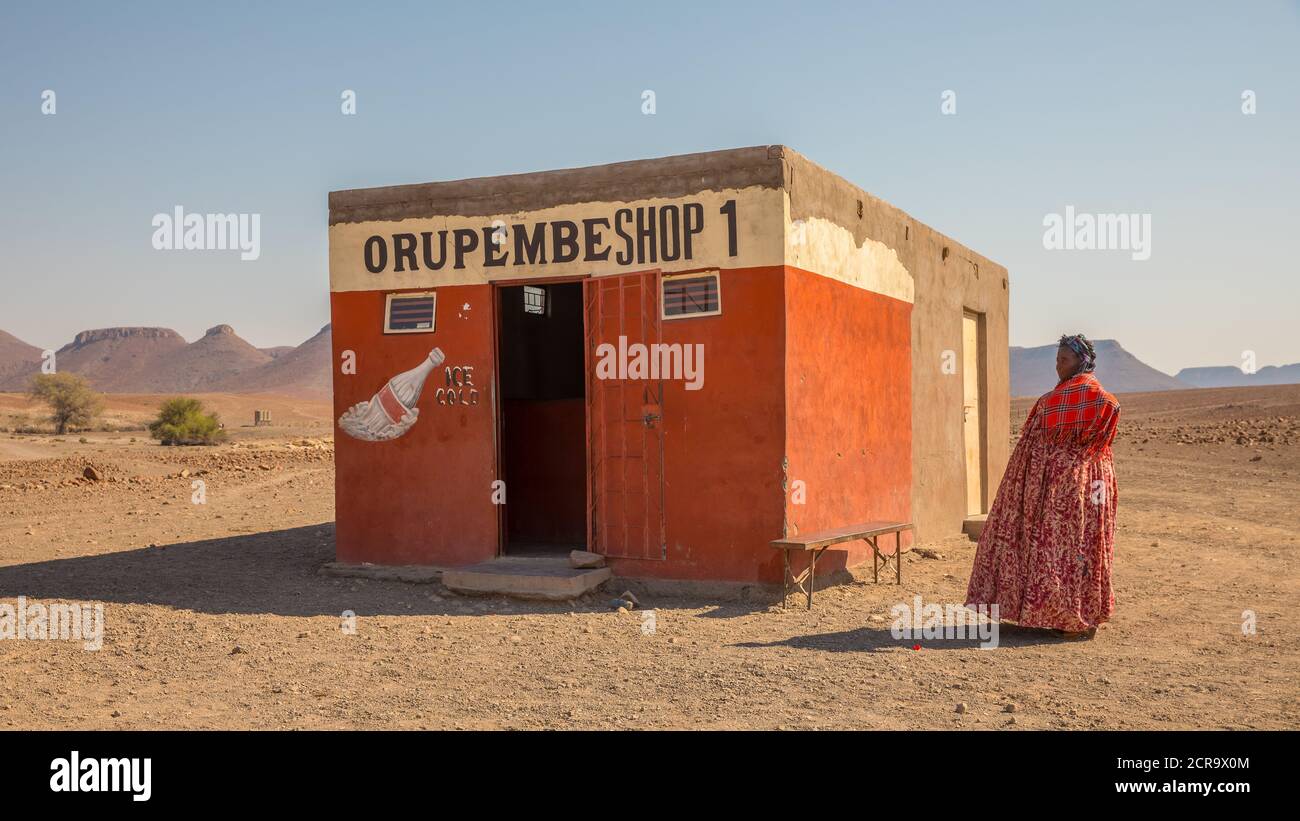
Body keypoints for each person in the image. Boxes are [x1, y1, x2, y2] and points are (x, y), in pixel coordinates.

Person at [965, 334, 1121, 640]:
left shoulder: (1051, 403)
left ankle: (1051, 614)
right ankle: (1078, 617)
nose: (1058, 366)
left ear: (1080, 362)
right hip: (1092, 488)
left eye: (1064, 360)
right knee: (1080, 549)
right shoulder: (1105, 403)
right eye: (1057, 360)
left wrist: (1022, 492)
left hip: (1052, 488)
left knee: (1048, 548)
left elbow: (1031, 447)